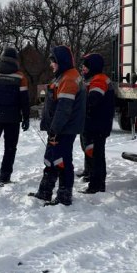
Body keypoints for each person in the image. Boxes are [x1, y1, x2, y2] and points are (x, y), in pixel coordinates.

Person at [31, 46, 85, 206]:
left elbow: (64, 109)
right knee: (52, 159)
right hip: (60, 128)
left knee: (61, 161)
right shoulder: (63, 76)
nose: (51, 65)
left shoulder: (68, 79)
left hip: (63, 129)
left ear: (60, 61)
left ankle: (64, 196)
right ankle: (45, 191)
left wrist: (55, 129)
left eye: (53, 62)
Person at [0, 46, 30, 186]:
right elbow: (24, 100)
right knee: (10, 148)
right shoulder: (20, 77)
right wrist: (26, 117)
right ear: (15, 60)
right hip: (13, 118)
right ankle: (5, 178)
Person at [80, 52, 115, 193]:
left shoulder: (99, 80)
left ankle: (96, 186)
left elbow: (93, 100)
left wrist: (78, 104)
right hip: (95, 124)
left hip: (98, 124)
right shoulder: (92, 79)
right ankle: (96, 182)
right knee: (94, 154)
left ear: (93, 66)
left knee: (96, 155)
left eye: (85, 66)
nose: (83, 68)